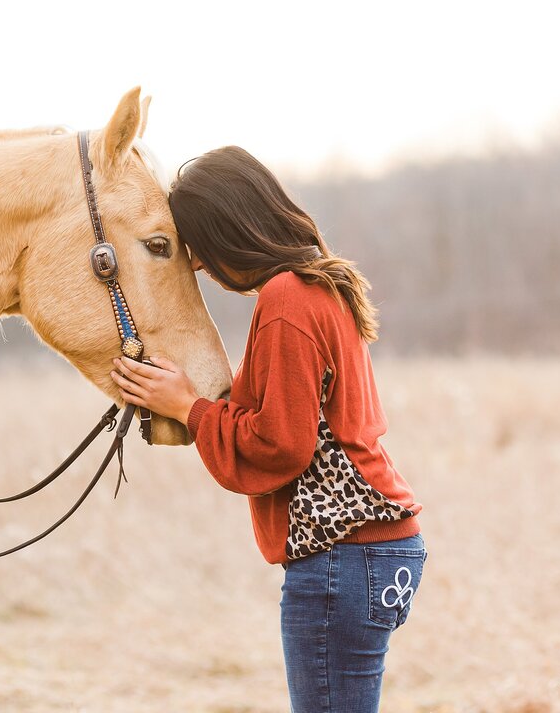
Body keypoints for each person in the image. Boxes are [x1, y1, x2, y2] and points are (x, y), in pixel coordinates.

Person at [108, 145, 426, 712]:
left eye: (198, 248)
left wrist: (189, 409)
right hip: (378, 553)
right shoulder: (321, 287)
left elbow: (282, 444)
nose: (199, 267)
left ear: (230, 231)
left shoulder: (286, 300)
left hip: (342, 558)